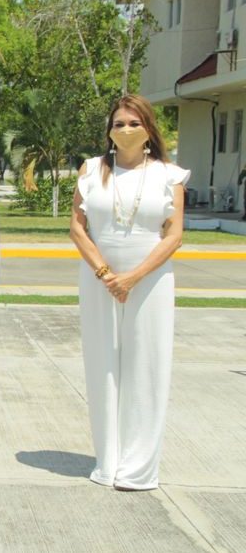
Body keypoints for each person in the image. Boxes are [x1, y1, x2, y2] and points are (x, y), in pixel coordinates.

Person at [70, 94, 189, 491]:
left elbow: (173, 236)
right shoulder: (91, 170)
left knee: (147, 367)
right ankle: (108, 461)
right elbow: (78, 228)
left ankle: (139, 468)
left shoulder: (169, 175)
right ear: (109, 130)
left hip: (150, 278)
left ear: (149, 129)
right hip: (98, 277)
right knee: (103, 365)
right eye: (118, 124)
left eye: (133, 123)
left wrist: (132, 277)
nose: (124, 130)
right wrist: (106, 273)